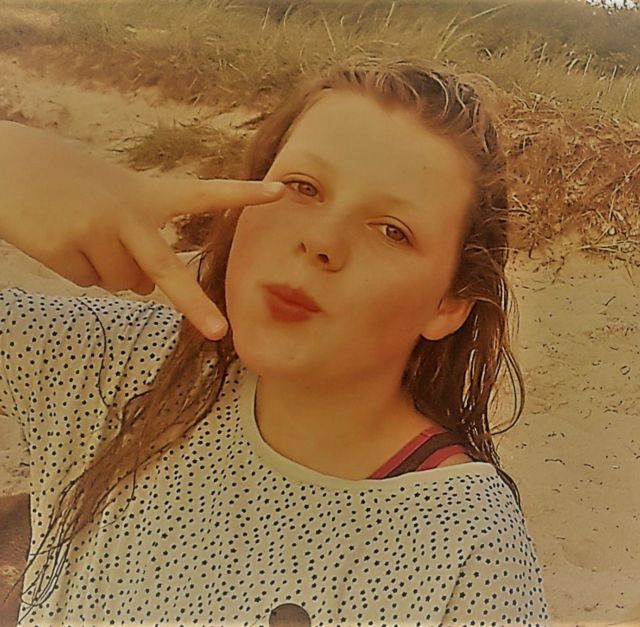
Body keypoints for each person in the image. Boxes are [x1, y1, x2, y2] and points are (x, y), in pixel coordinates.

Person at [0, 55, 550, 625]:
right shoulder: (115, 362)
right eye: (302, 188)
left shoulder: (463, 545)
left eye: (392, 230)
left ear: (448, 305)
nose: (322, 241)